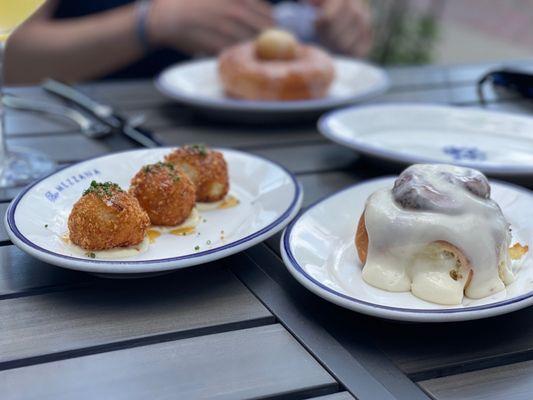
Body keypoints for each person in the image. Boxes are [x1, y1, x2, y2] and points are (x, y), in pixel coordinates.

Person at [5, 0, 372, 84]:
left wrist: (346, 19)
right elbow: (11, 56)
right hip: (85, 137)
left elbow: (347, 37)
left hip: (281, 156)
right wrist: (152, 21)